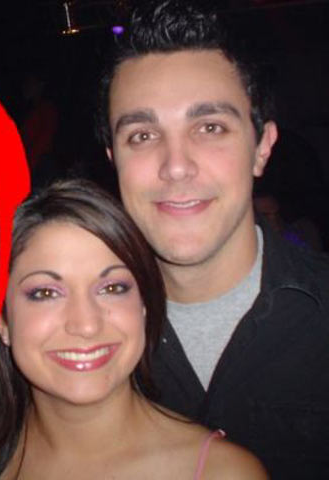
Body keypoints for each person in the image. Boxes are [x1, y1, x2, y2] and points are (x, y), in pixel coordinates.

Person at [96, 1, 329, 478]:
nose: (176, 166)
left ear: (262, 147)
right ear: (113, 159)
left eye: (210, 127)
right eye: (142, 135)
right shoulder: (75, 335)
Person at [0, 179, 267, 479]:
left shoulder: (224, 473)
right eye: (45, 293)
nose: (86, 324)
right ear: (3, 322)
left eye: (112, 288)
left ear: (144, 306)